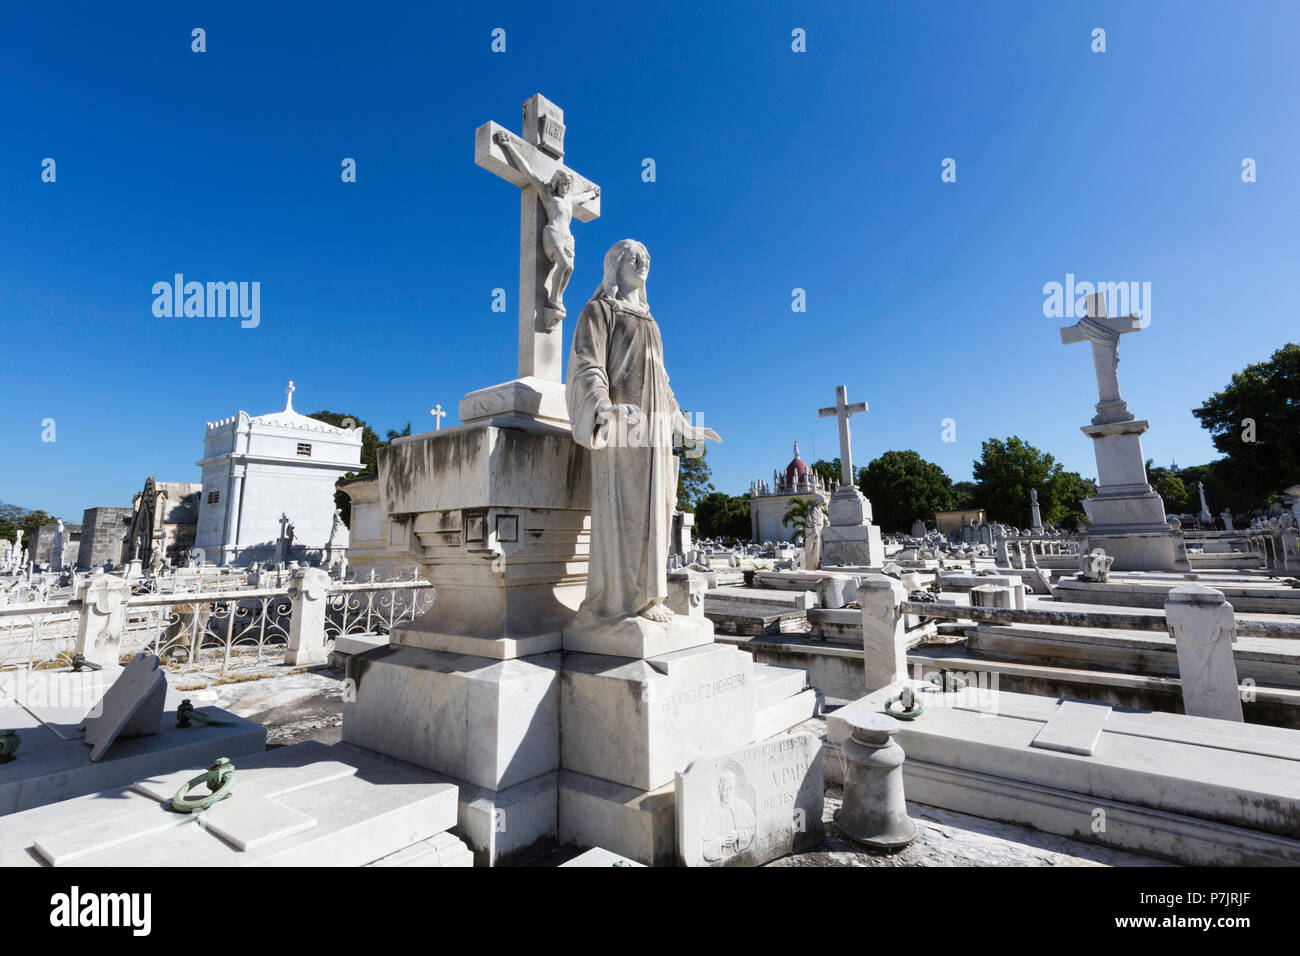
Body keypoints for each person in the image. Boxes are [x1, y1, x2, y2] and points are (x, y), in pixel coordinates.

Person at [566, 239, 720, 626]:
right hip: (621, 431)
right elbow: (588, 365)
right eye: (634, 256)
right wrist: (604, 407)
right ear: (615, 264)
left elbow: (662, 383)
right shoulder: (599, 310)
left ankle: (649, 598)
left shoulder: (651, 322)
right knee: (625, 515)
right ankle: (617, 601)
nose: (643, 262)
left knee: (655, 512)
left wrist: (686, 426)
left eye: (647, 257)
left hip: (653, 436)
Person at [494, 130, 598, 323]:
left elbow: (583, 197)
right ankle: (553, 300)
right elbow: (528, 171)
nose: (565, 188)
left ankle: (557, 299)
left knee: (570, 268)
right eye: (563, 184)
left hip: (568, 237)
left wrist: (592, 193)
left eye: (568, 185)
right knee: (564, 264)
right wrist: (508, 145)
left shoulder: (569, 200)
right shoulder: (547, 195)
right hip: (553, 232)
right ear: (556, 183)